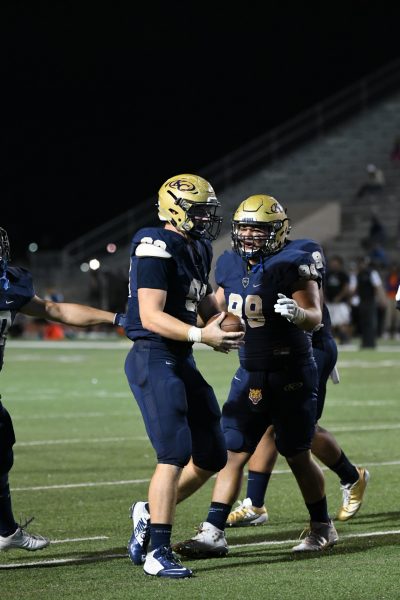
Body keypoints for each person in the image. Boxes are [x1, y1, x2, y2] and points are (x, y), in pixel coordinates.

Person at [171, 194, 338, 559]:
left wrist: (298, 314)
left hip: (291, 371)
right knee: (232, 451)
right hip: (250, 370)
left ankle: (323, 527)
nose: (248, 235)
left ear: (277, 231)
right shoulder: (229, 261)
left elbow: (314, 314)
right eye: (244, 228)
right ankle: (213, 531)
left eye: (258, 229)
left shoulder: (295, 260)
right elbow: (217, 306)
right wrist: (203, 324)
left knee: (297, 454)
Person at [123, 174, 245, 579]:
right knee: (174, 453)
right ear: (175, 209)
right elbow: (150, 315)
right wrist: (202, 334)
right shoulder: (154, 244)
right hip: (154, 355)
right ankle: (158, 551)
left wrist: (224, 320)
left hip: (180, 357)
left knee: (212, 454)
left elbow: (202, 297)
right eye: (200, 211)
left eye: (210, 211)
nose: (207, 218)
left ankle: (148, 511)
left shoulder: (198, 246)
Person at [225, 240, 369, 529]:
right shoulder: (248, 260)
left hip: (310, 347)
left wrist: (320, 347)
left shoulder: (302, 252)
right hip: (275, 352)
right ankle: (254, 503)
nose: (252, 236)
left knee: (301, 431)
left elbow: (314, 308)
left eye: (260, 228)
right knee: (268, 423)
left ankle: (351, 476)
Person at [0, 226, 124, 552]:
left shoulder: (10, 285)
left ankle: (7, 531)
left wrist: (115, 318)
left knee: (1, 447)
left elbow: (54, 310)